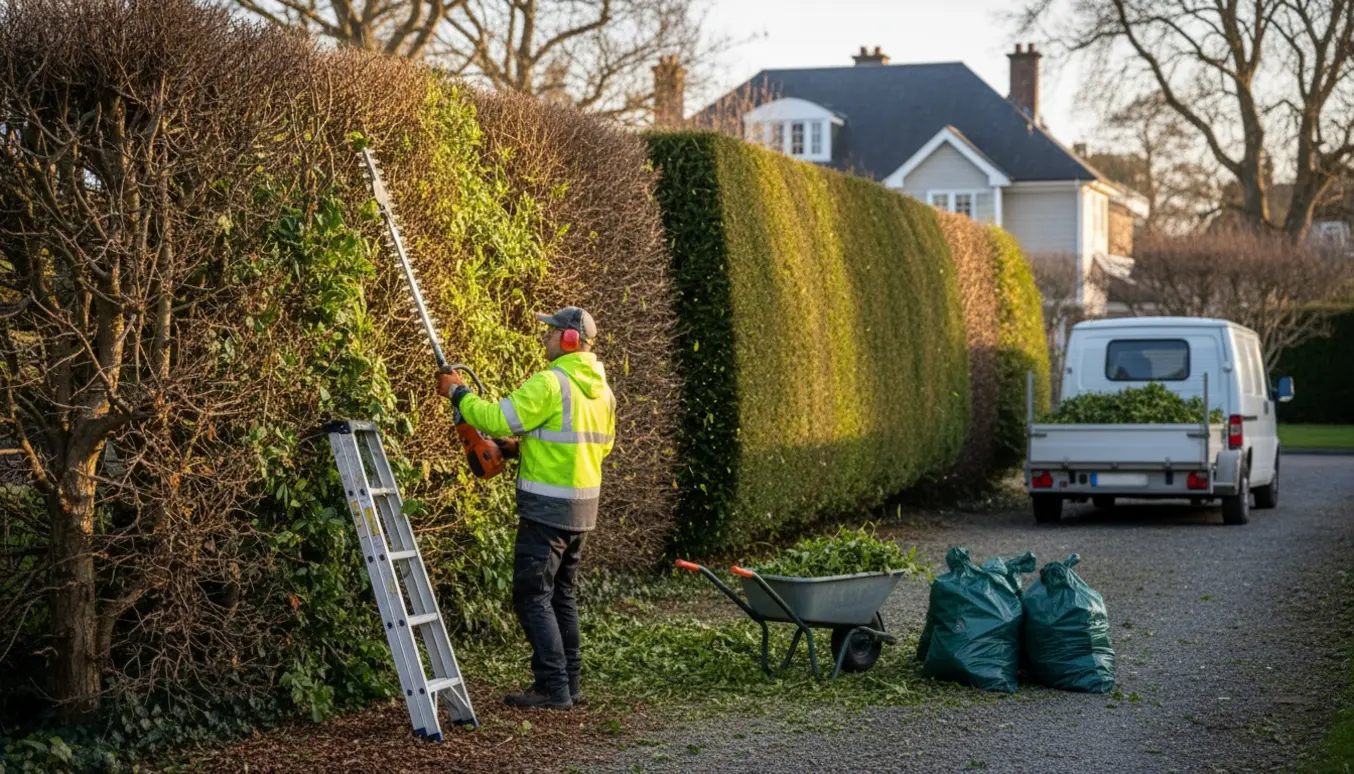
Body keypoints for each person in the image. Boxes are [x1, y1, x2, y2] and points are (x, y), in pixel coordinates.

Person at [436, 307, 616, 710]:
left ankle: (553, 689)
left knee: (532, 595)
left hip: (546, 511)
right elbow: (596, 446)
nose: (545, 338)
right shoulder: (603, 392)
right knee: (561, 595)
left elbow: (496, 418)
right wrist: (524, 448)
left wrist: (457, 392)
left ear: (569, 340)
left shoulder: (552, 383)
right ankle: (569, 682)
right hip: (582, 511)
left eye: (551, 332)